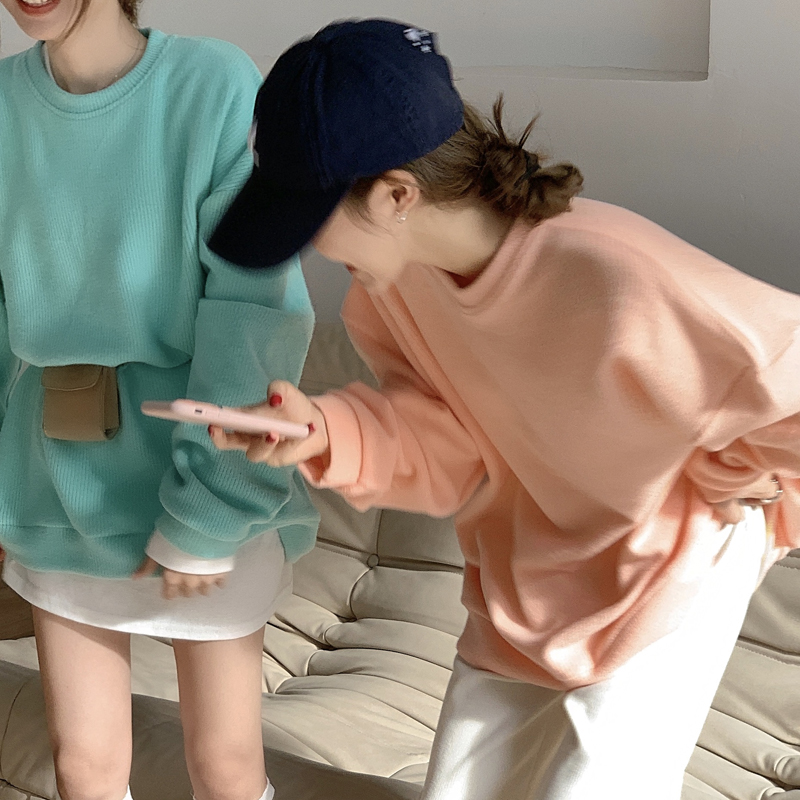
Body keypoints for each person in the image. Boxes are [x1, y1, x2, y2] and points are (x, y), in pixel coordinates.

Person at [208, 18, 800, 800]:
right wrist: (323, 432)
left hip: (666, 568)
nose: (311, 246)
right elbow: (448, 448)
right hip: (525, 576)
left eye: (312, 218)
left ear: (396, 195)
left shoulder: (615, 275)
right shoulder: (387, 298)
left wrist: (732, 480)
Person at [0, 2, 319, 800]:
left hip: (205, 472)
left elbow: (255, 309)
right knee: (84, 766)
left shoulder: (213, 84)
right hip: (54, 482)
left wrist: (209, 511)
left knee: (225, 767)